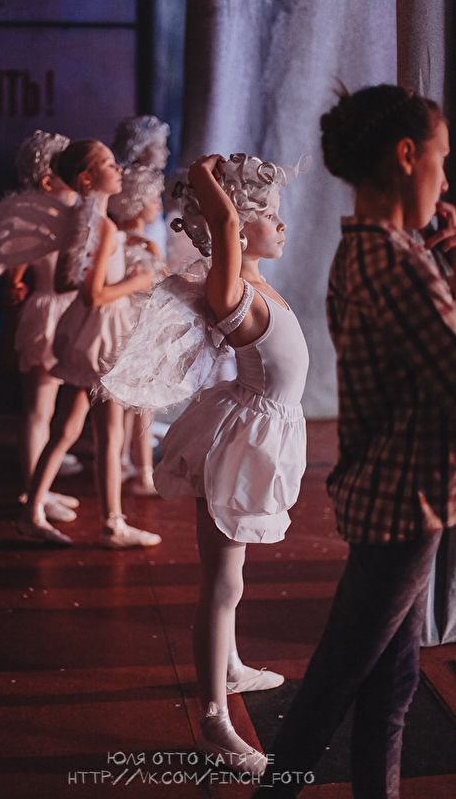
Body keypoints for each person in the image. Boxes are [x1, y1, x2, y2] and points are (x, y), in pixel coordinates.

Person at [254, 84, 456, 799]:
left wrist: (440, 258)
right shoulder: (396, 265)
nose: (443, 179)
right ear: (406, 156)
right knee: (335, 684)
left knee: (388, 681)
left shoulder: (375, 251)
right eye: (440, 159)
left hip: (391, 491)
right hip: (407, 498)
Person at [100, 151, 311, 775]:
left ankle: (232, 666)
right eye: (269, 215)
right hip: (238, 444)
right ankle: (215, 721)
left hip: (255, 431)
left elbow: (229, 227)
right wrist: (201, 176)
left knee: (232, 581)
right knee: (222, 584)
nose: (282, 225)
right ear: (238, 227)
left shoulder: (257, 283)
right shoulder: (231, 287)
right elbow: (222, 225)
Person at [17, 139, 160, 548]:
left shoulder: (81, 221)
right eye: (110, 165)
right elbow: (93, 295)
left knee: (66, 429)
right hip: (103, 337)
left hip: (85, 334)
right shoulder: (104, 225)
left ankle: (32, 510)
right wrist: (136, 280)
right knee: (109, 435)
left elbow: (66, 281)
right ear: (87, 177)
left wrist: (121, 248)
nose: (119, 170)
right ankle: (113, 524)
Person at [0, 130, 81, 524]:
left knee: (53, 410)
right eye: (66, 171)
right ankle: (33, 492)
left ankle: (42, 486)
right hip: (47, 315)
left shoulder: (72, 215)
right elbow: (14, 278)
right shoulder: (36, 220)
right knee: (39, 410)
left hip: (68, 312)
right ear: (46, 182)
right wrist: (11, 332)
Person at [108, 163, 166, 495]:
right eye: (154, 199)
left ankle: (122, 463)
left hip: (118, 326)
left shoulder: (115, 241)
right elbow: (163, 286)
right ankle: (144, 472)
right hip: (140, 329)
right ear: (137, 202)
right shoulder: (146, 245)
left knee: (124, 404)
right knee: (144, 404)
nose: (158, 206)